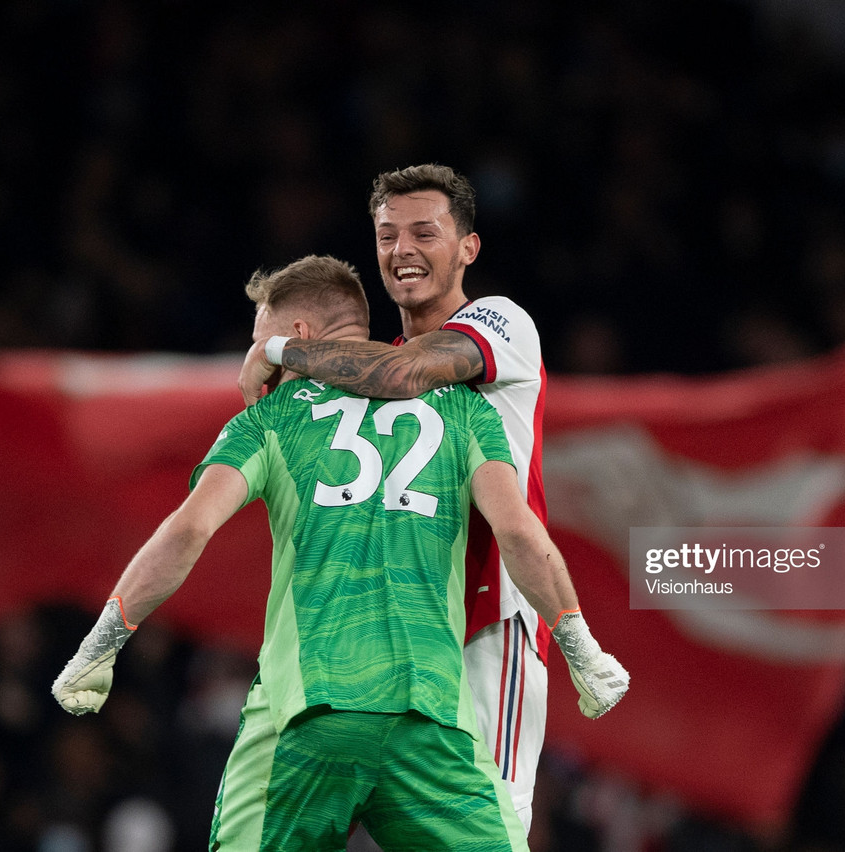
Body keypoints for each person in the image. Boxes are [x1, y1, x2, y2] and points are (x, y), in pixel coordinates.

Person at [51, 255, 628, 851]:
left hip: (304, 719)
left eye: (262, 343)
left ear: (296, 339)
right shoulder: (465, 410)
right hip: (431, 728)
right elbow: (520, 534)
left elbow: (186, 531)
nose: (258, 366)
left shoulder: (269, 421)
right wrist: (581, 648)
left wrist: (101, 645)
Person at [237, 164, 554, 831]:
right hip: (412, 637)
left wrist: (277, 347)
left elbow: (407, 373)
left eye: (423, 232)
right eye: (387, 235)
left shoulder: (499, 324)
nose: (402, 249)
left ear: (467, 247)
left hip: (492, 624)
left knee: (491, 829)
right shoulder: (369, 371)